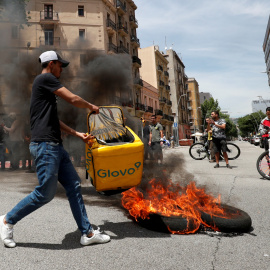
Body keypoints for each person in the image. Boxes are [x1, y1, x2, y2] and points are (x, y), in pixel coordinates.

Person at [0, 50, 110, 248]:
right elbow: (74, 98)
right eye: (61, 65)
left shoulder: (44, 90)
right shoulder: (45, 79)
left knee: (74, 186)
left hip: (55, 147)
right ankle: (7, 220)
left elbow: (53, 120)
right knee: (45, 193)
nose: (62, 69)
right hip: (45, 147)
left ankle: (87, 233)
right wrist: (91, 106)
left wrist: (77, 134)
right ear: (51, 64)